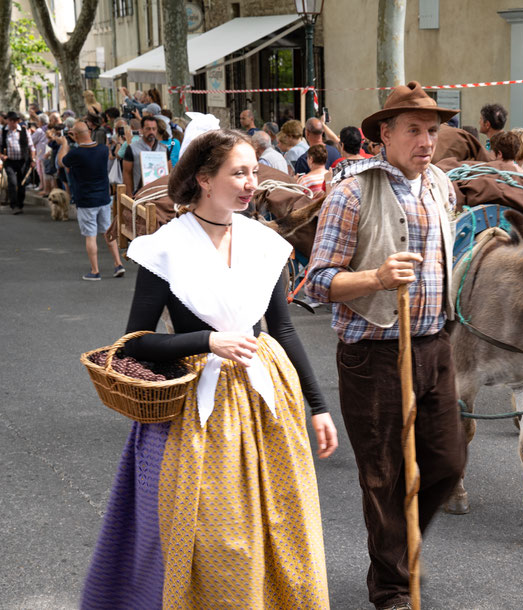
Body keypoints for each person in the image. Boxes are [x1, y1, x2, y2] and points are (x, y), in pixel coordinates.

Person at [81, 127, 337, 607]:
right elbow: (135, 343)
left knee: (283, 529)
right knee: (216, 541)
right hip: (198, 409)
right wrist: (207, 341)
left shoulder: (266, 243)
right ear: (203, 179)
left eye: (253, 173)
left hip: (267, 404)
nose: (249, 183)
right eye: (238, 173)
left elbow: (282, 331)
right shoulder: (166, 246)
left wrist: (319, 406)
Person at [304, 81, 466, 610]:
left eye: (433, 131)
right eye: (414, 130)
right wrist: (375, 277)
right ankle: (392, 586)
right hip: (373, 354)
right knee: (383, 476)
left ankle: (402, 546)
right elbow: (320, 281)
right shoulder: (351, 194)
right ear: (383, 135)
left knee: (446, 463)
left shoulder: (442, 185)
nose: (427, 141)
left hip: (435, 347)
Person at [55, 121, 125, 280]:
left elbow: (61, 162)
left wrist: (65, 143)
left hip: (86, 200)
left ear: (76, 135)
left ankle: (95, 271)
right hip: (103, 198)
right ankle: (118, 264)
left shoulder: (76, 154)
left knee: (91, 236)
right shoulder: (102, 149)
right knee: (108, 232)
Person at [122, 115, 170, 196]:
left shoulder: (164, 149)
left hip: (160, 193)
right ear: (141, 130)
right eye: (148, 129)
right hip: (140, 193)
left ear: (157, 130)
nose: (151, 132)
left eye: (153, 129)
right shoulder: (132, 148)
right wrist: (129, 195)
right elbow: (127, 173)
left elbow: (168, 172)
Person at [1, 111, 36, 214]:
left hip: (22, 161)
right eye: (10, 121)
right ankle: (14, 205)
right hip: (9, 161)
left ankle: (20, 204)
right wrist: (2, 156)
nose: (12, 123)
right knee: (12, 182)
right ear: (7, 121)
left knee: (22, 183)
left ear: (18, 121)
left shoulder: (24, 131)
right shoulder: (3, 132)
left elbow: (31, 147)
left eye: (15, 121)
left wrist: (33, 159)